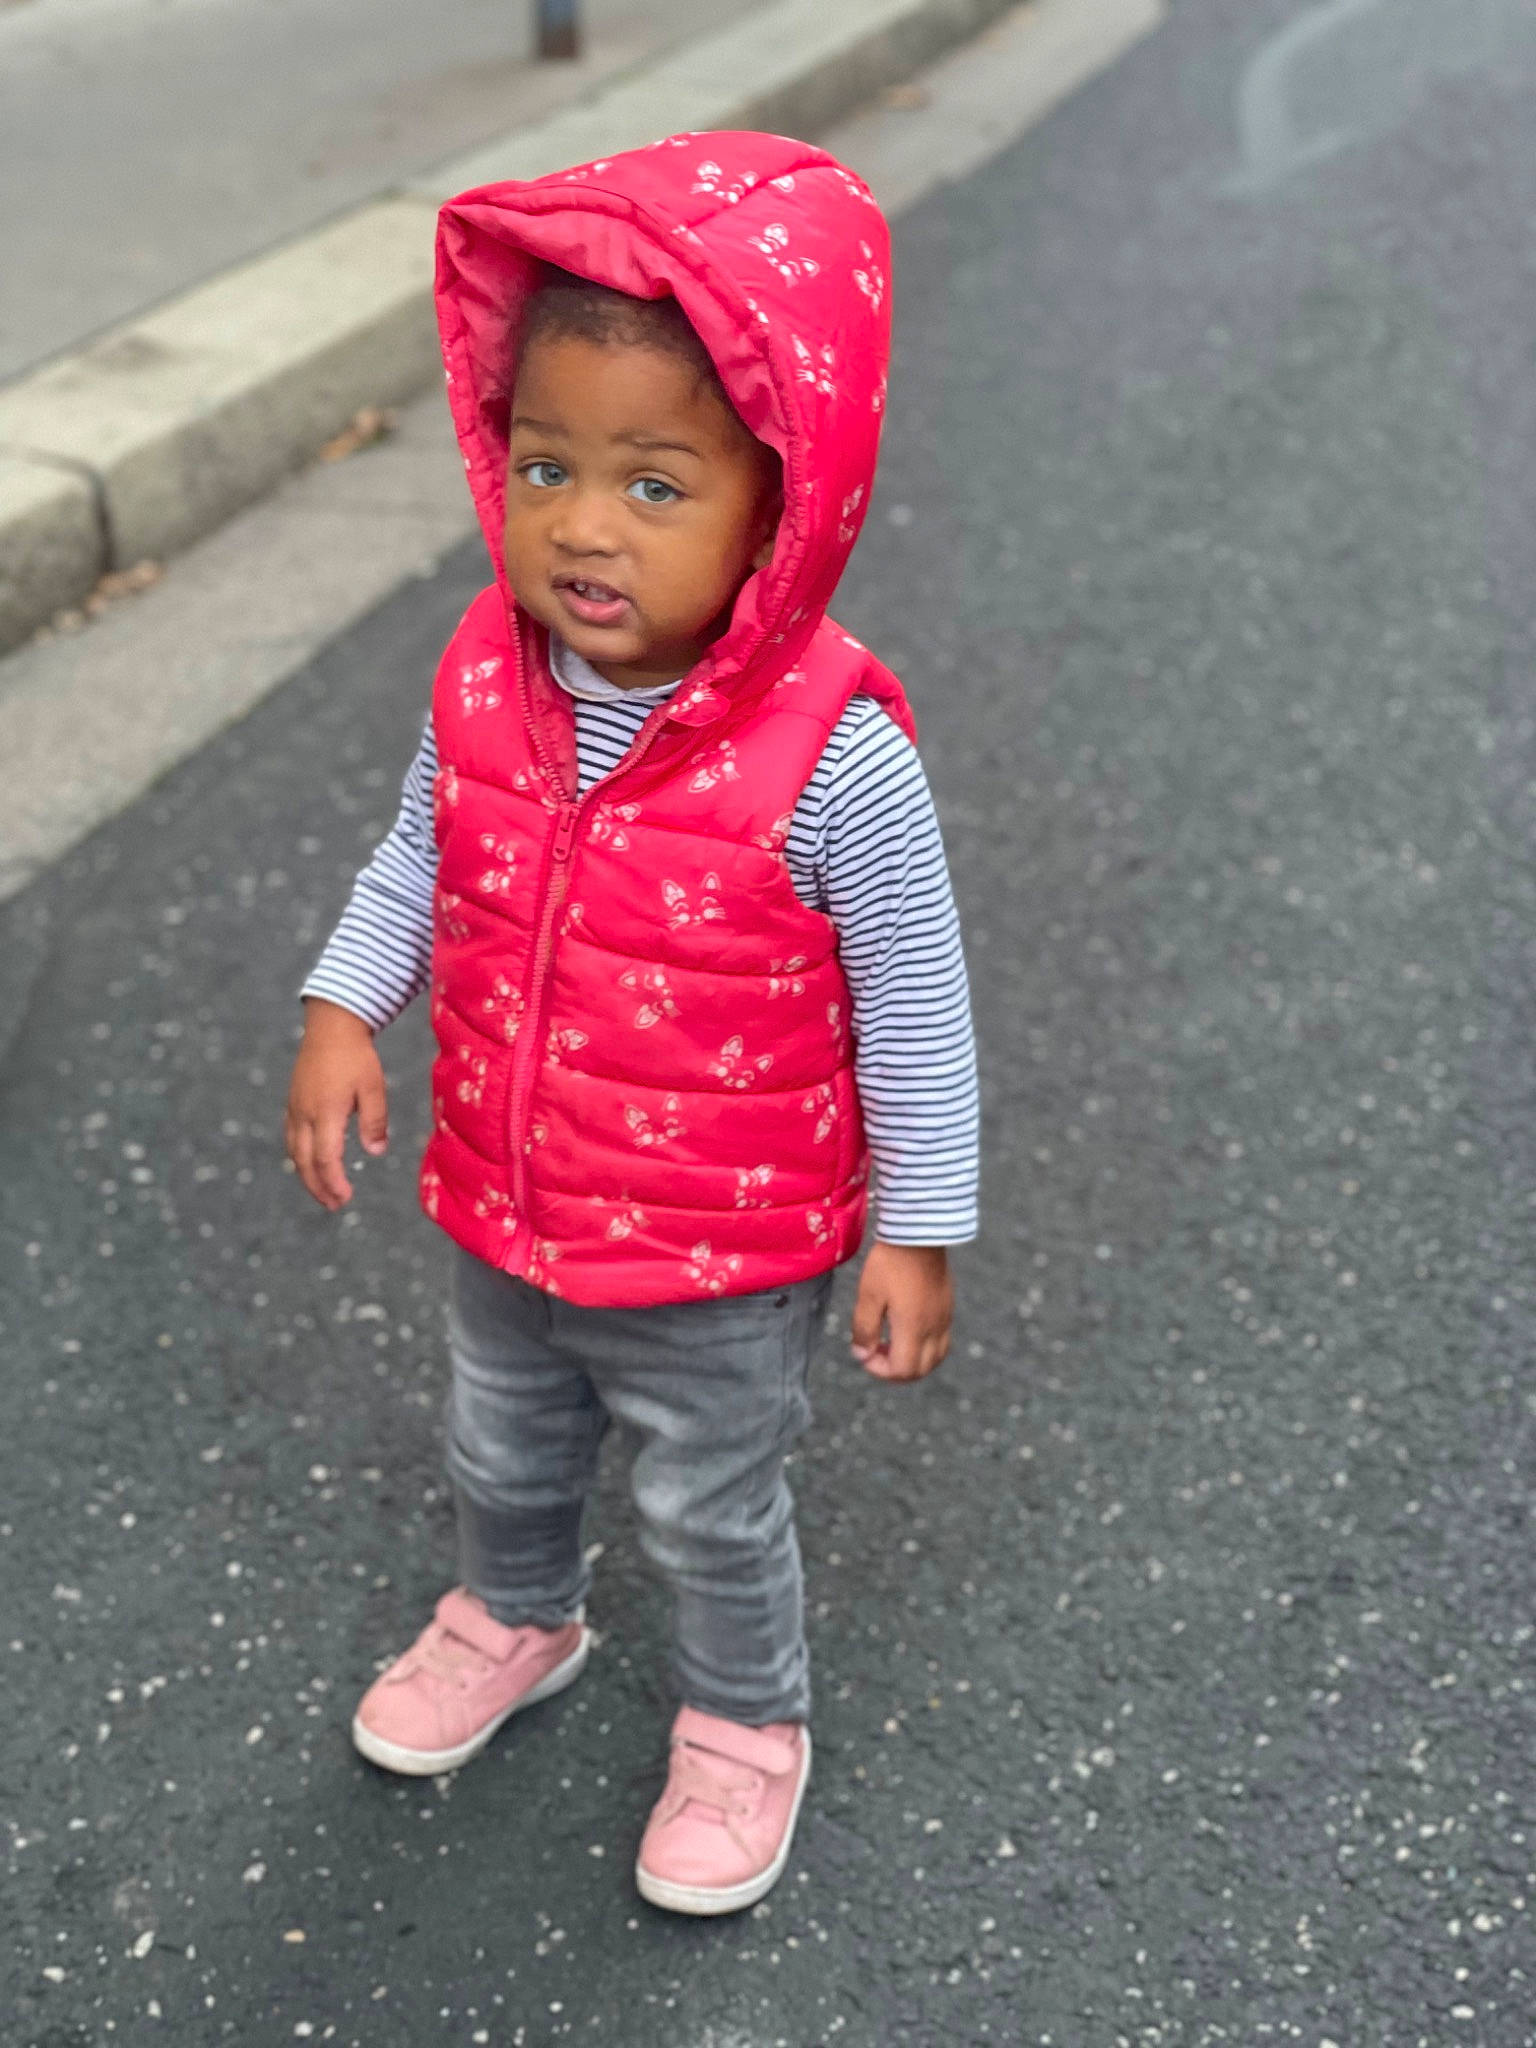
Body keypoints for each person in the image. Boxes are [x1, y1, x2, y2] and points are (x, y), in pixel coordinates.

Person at [285, 130, 978, 1917]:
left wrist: (921, 1225)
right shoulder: (485, 676)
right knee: (498, 1444)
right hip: (509, 1201)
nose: (584, 525)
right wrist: (346, 1001)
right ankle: (517, 1616)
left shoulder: (835, 759)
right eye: (547, 466)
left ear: (782, 506)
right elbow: (417, 852)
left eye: (656, 485)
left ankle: (747, 1723)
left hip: (721, 1254)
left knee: (709, 1504)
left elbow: (917, 997)